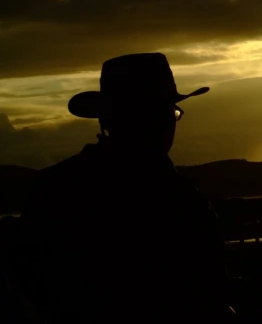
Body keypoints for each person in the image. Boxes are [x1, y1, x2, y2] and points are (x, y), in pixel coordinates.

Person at [13, 53, 235, 322]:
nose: (168, 124)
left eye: (169, 113)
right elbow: (210, 296)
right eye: (162, 113)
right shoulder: (180, 199)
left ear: (105, 121)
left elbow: (33, 284)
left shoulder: (55, 188)